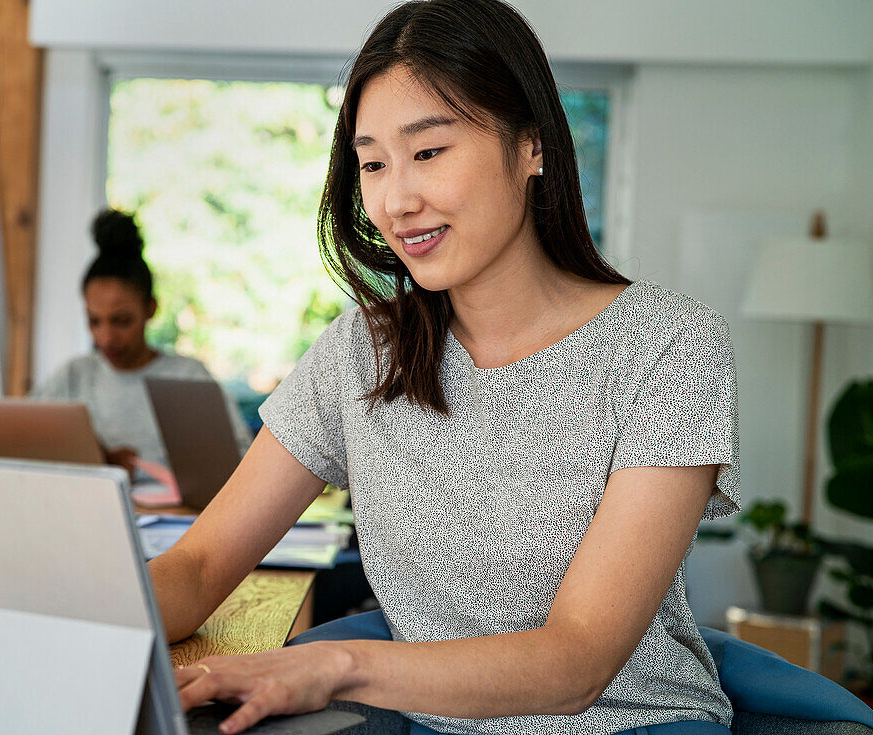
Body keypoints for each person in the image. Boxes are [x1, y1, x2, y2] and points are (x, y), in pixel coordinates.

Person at [151, 1, 740, 734]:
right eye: (372, 163)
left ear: (531, 143)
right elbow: (200, 567)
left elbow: (577, 662)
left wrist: (341, 665)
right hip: (428, 721)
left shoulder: (668, 346)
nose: (397, 200)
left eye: (428, 152)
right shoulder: (361, 353)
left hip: (633, 723)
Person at [33, 208, 251, 487]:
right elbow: (24, 444)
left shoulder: (187, 376)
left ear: (151, 309)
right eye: (94, 321)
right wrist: (99, 461)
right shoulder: (74, 375)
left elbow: (243, 466)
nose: (106, 338)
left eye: (122, 321)